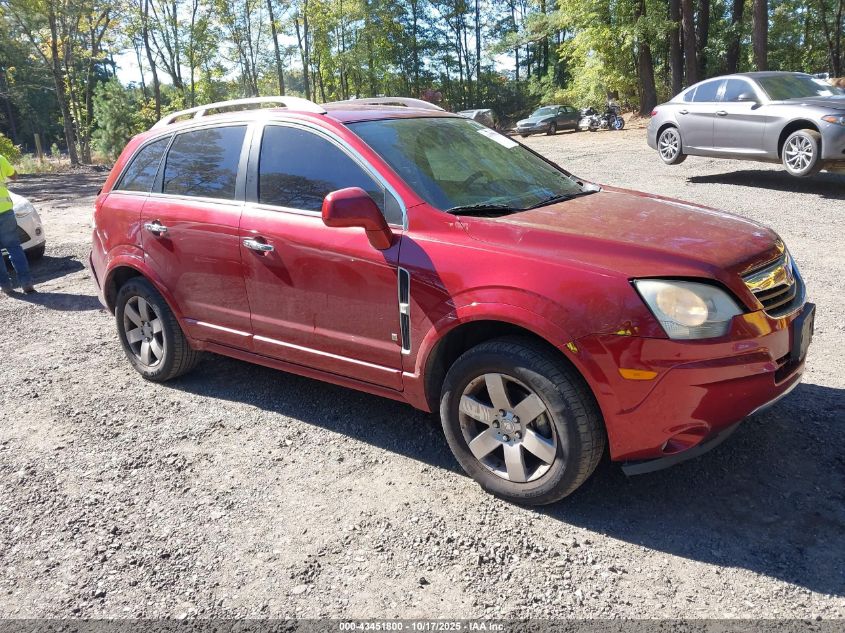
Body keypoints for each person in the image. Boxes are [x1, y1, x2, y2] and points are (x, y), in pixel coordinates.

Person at [0, 153, 35, 294]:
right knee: (14, 247)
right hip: (5, 212)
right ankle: (26, 282)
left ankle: (5, 286)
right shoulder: (0, 158)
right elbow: (14, 176)